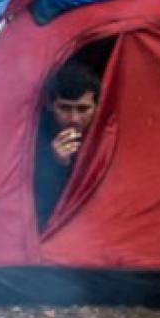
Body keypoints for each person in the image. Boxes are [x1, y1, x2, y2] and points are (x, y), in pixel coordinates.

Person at [34, 59, 101, 230]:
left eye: (83, 109)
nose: (74, 119)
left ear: (97, 106)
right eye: (64, 108)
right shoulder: (33, 137)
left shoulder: (106, 135)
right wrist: (55, 163)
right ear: (50, 105)